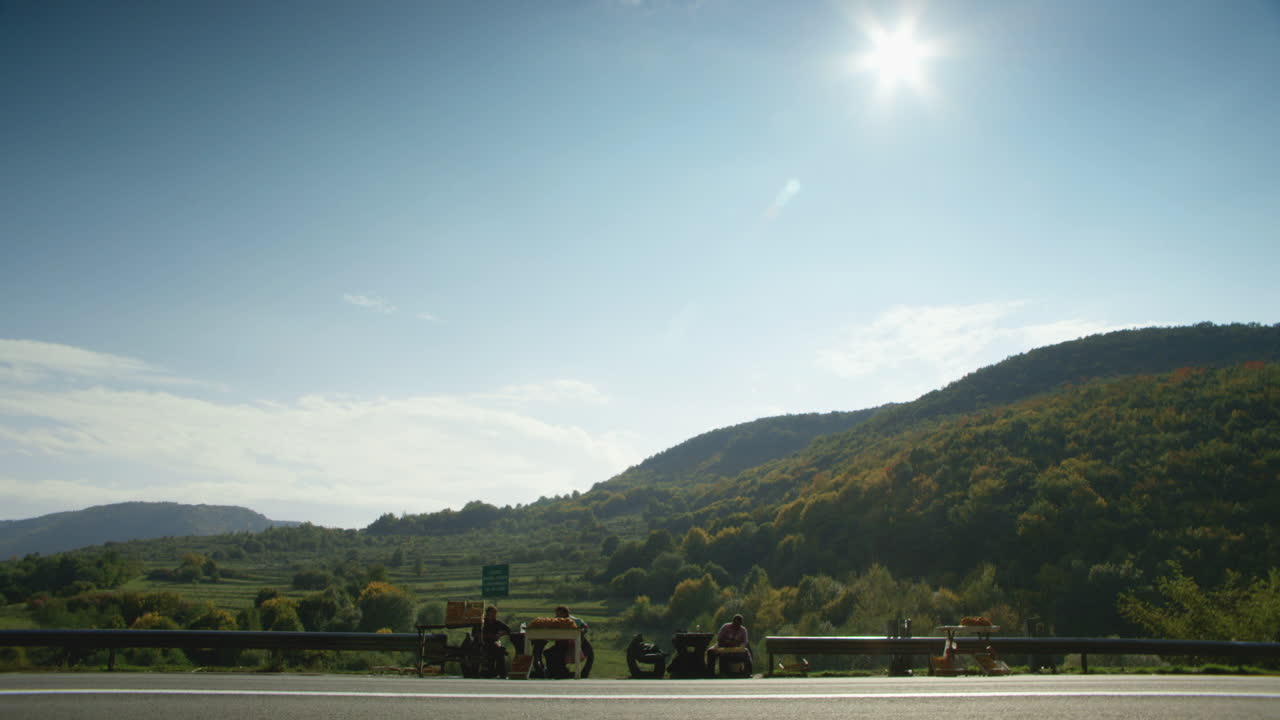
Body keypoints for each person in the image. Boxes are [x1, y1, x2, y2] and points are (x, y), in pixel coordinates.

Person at [543, 605, 594, 678]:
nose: (556, 616)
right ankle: (555, 672)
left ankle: (562, 673)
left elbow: (585, 627)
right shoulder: (556, 621)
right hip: (563, 644)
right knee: (548, 653)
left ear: (565, 614)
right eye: (556, 614)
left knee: (556, 653)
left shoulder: (574, 620)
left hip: (576, 644)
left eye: (559, 614)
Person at [480, 605, 511, 678]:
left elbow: (508, 630)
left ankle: (501, 673)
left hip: (494, 642)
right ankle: (490, 671)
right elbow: (475, 633)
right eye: (492, 613)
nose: (494, 615)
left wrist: (500, 634)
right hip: (484, 643)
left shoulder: (497, 623)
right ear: (487, 613)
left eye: (495, 613)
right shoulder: (482, 623)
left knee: (500, 650)